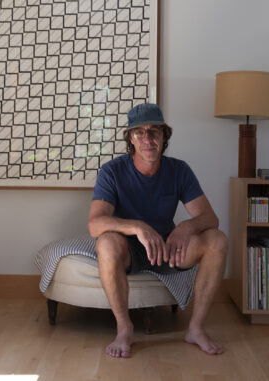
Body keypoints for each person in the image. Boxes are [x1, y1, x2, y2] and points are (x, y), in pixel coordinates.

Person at [88, 103, 228, 358]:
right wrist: (137, 227)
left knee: (217, 240)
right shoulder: (113, 171)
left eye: (154, 131)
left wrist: (187, 226)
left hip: (168, 248)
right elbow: (95, 223)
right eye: (139, 132)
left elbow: (211, 218)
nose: (148, 139)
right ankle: (124, 328)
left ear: (165, 136)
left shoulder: (179, 170)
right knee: (106, 242)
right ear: (131, 138)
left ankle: (196, 328)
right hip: (129, 248)